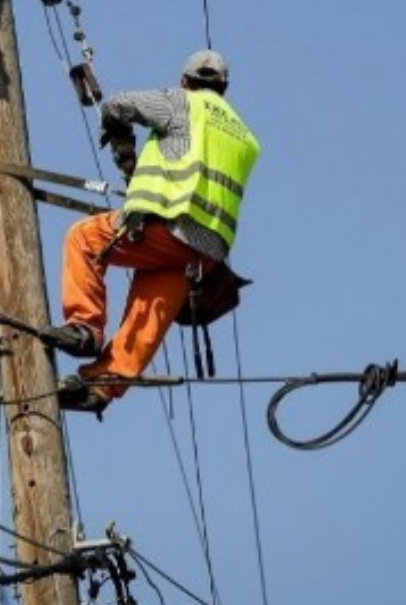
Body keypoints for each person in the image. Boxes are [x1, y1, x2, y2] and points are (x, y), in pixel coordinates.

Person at [42, 49, 261, 415]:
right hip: (205, 253)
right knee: (150, 311)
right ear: (224, 88)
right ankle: (101, 387)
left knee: (83, 238)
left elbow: (117, 105)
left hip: (170, 228)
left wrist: (122, 143)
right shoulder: (244, 135)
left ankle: (84, 329)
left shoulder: (182, 102)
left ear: (186, 81)